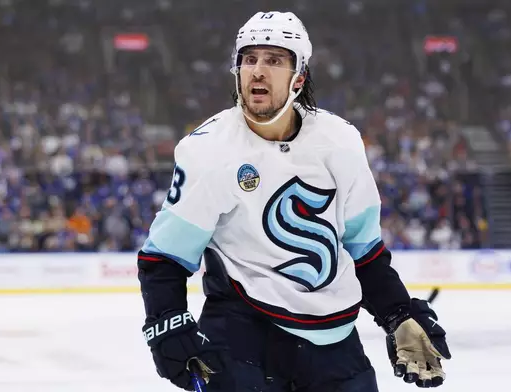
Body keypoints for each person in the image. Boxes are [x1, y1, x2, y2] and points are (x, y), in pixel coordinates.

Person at [137, 11, 451, 391]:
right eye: (248, 59)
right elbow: (164, 258)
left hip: (333, 339)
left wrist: (397, 312)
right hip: (241, 333)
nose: (257, 70)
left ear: (298, 77)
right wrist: (167, 325)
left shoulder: (341, 142)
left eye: (274, 60)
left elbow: (363, 251)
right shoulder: (207, 151)